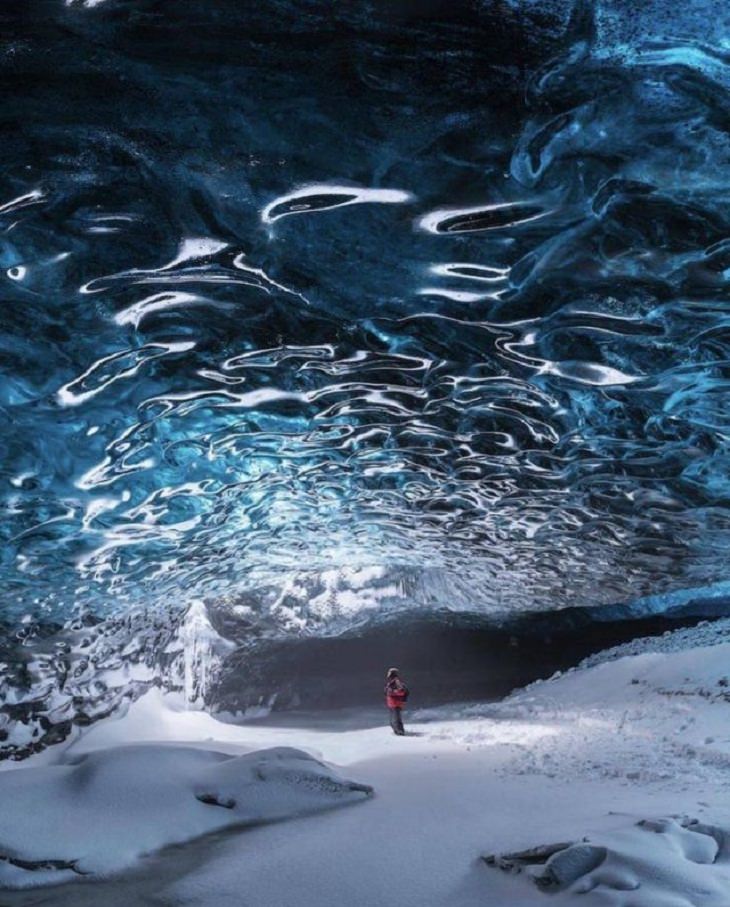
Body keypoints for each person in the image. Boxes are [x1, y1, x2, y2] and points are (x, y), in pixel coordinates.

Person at [384, 667, 409, 736]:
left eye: (389, 673)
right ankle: (398, 732)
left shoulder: (397, 682)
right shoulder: (391, 682)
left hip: (396, 704)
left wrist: (392, 692)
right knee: (392, 721)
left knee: (396, 720)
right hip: (392, 704)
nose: (388, 674)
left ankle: (400, 732)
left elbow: (402, 691)